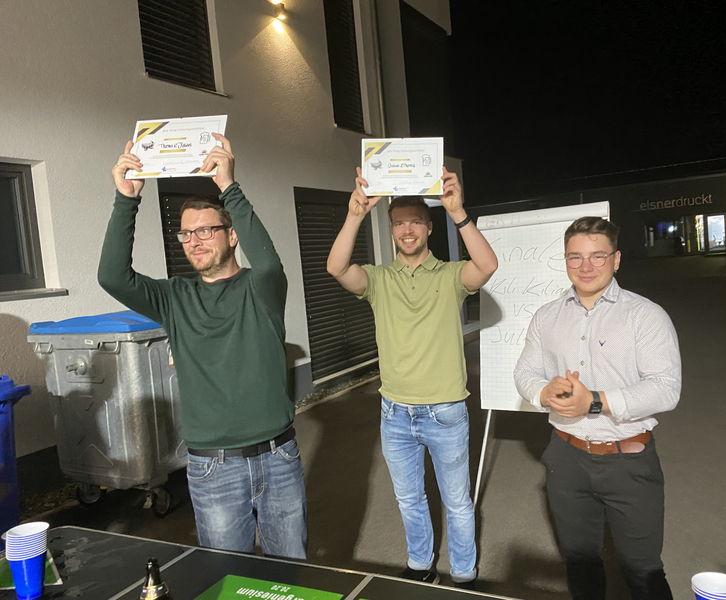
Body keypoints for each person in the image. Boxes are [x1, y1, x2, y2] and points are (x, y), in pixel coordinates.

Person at [98, 135, 306, 558]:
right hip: (213, 467)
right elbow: (113, 277)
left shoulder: (261, 288)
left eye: (206, 230)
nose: (194, 240)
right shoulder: (174, 297)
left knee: (291, 576)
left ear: (232, 236)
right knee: (225, 577)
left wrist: (228, 185)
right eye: (186, 234)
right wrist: (126, 199)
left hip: (278, 457)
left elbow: (269, 261)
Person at [326, 167, 498, 589]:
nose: (407, 230)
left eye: (415, 222)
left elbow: (487, 265)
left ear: (429, 227)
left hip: (446, 411)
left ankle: (464, 573)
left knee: (457, 501)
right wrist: (354, 215)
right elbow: (336, 266)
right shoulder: (378, 280)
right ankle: (421, 564)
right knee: (409, 498)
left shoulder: (451, 275)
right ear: (390, 230)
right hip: (395, 413)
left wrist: (458, 212)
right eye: (399, 223)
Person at [513, 216, 681, 600]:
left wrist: (594, 401)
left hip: (629, 460)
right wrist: (544, 390)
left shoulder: (645, 315)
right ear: (565, 260)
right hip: (566, 456)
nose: (585, 266)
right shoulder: (547, 316)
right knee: (579, 562)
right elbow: (525, 371)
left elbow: (666, 389)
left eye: (597, 256)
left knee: (642, 570)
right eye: (575, 257)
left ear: (616, 259)